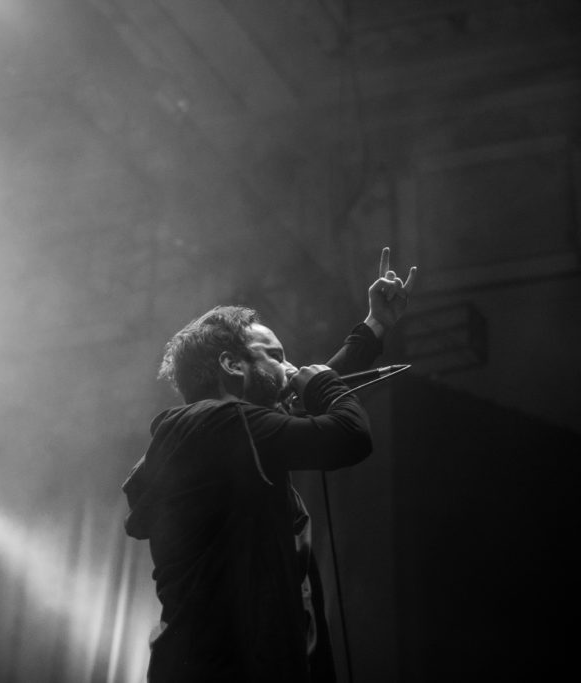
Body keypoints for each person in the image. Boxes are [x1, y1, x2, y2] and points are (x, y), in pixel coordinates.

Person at [122, 247, 416, 682]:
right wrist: (328, 388)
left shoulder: (217, 435)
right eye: (275, 356)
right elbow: (349, 436)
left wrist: (373, 329)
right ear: (231, 364)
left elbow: (300, 388)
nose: (289, 366)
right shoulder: (225, 423)